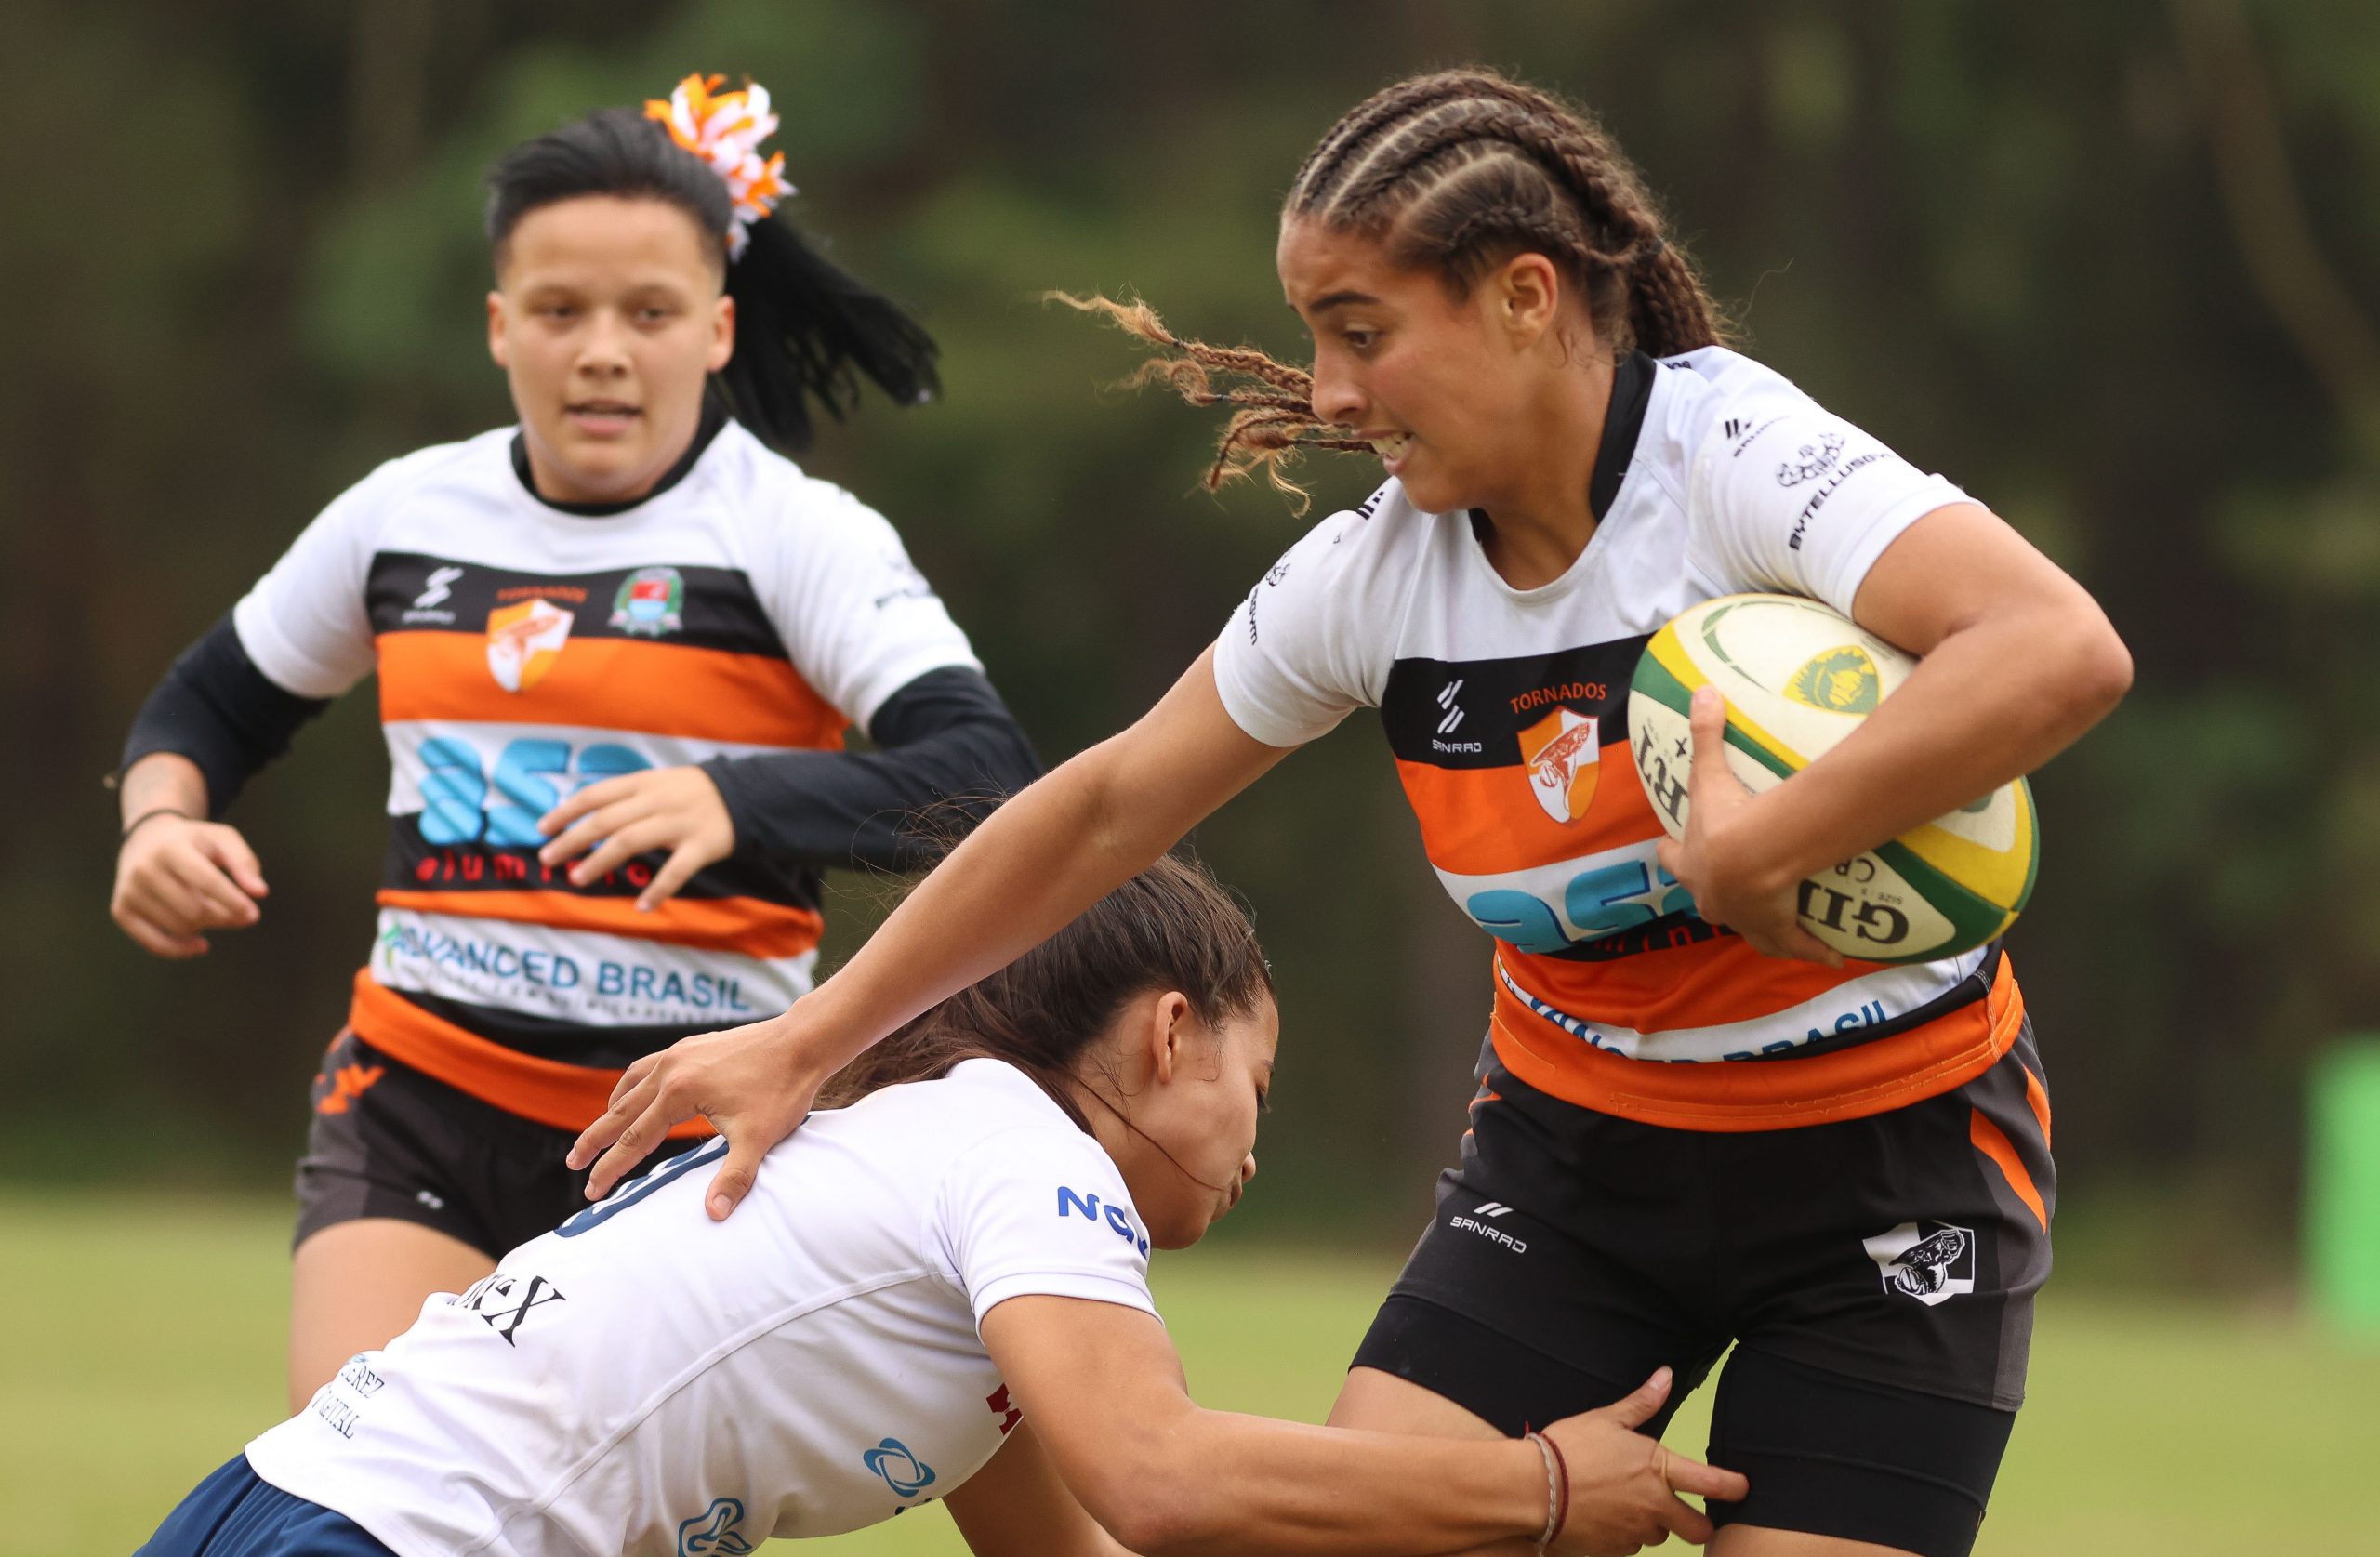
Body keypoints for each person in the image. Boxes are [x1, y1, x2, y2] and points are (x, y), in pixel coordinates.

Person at [566, 68, 2135, 1557]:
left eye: (1362, 331)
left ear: (1526, 295)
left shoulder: (1733, 459)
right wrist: (808, 1039)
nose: (1325, 392)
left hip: (1893, 1176)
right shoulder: (1374, 576)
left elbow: (2057, 647)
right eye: (1314, 334)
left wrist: (1766, 843)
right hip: (1575, 1172)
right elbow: (1105, 805)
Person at [109, 75, 1042, 1410]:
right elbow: (206, 707)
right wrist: (158, 818)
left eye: (648, 314)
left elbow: (987, 775)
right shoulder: (402, 516)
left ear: (717, 328)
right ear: (500, 327)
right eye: (560, 312)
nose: (602, 349)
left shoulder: (796, 534)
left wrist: (740, 800)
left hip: (687, 1131)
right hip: (416, 1098)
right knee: (367, 1491)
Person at [136, 854, 1747, 1557]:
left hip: (290, 1506)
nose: (1257, 1151)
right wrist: (1531, 1493)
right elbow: (1166, 1479)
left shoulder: (956, 1204)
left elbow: (1103, 1546)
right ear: (1168, 1033)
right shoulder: (1020, 1153)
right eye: (1258, 1085)